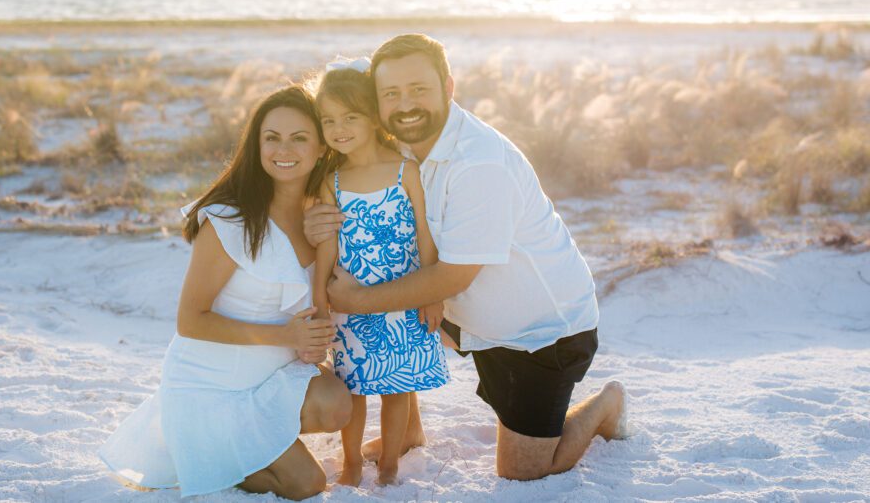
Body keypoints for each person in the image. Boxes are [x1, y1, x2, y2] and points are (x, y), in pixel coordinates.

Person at [307, 34, 628, 482]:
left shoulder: (478, 163)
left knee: (523, 471)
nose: (405, 104)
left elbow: (453, 276)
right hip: (470, 321)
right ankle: (409, 429)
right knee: (394, 316)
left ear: (449, 87)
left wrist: (353, 301)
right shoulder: (398, 146)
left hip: (538, 335)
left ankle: (606, 404)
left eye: (419, 89)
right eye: (391, 93)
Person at [100, 85, 352, 500]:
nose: (283, 149)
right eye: (271, 137)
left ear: (321, 147)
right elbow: (190, 320)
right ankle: (212, 454)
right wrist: (287, 337)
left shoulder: (319, 215)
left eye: (299, 137)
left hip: (269, 378)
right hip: (210, 389)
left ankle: (252, 446)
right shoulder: (229, 219)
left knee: (336, 404)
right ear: (256, 145)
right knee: (307, 484)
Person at [310, 59, 449, 487]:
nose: (339, 128)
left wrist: (433, 292)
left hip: (404, 296)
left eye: (350, 117)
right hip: (350, 302)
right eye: (328, 120)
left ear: (372, 116)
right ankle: (351, 461)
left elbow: (425, 234)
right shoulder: (331, 180)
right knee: (354, 388)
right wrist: (319, 299)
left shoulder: (403, 169)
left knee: (398, 387)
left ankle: (389, 463)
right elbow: (327, 246)